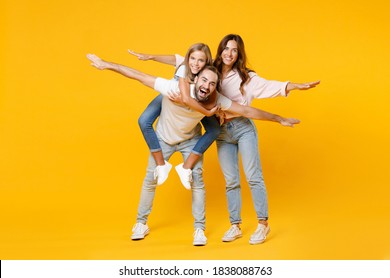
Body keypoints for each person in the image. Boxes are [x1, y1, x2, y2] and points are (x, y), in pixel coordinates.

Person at [87, 57, 301, 245]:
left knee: (197, 181)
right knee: (150, 179)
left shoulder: (216, 99)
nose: (207, 86)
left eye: (213, 83)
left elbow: (245, 110)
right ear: (195, 78)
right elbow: (138, 76)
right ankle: (141, 224)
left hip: (190, 140)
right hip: (164, 138)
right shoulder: (173, 88)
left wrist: (279, 118)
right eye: (204, 80)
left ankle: (199, 229)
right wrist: (106, 65)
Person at [212, 34, 320, 245]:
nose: (229, 53)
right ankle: (235, 225)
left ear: (238, 54)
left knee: (253, 176)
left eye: (234, 50)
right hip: (222, 132)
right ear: (220, 50)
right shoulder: (211, 72)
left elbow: (271, 86)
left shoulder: (246, 77)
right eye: (226, 48)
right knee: (231, 180)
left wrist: (295, 86)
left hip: (243, 128)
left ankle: (263, 224)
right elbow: (186, 62)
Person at [88, 43, 220, 189]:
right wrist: (108, 64)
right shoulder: (184, 69)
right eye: (193, 59)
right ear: (189, 58)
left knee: (215, 129)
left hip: (194, 104)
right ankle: (161, 165)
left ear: (207, 63)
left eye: (200, 61)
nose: (195, 64)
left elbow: (177, 62)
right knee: (144, 120)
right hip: (172, 96)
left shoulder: (208, 78)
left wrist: (215, 110)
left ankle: (186, 167)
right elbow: (152, 71)